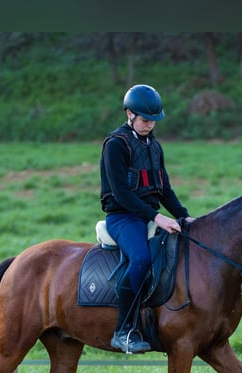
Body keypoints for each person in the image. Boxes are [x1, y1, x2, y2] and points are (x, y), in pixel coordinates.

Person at [100, 84, 194, 354]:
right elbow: (121, 193)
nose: (150, 125)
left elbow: (164, 189)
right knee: (140, 258)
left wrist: (183, 216)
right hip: (122, 217)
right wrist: (157, 217)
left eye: (154, 120)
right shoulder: (115, 145)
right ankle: (123, 331)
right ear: (129, 114)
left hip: (149, 215)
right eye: (144, 120)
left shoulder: (154, 146)